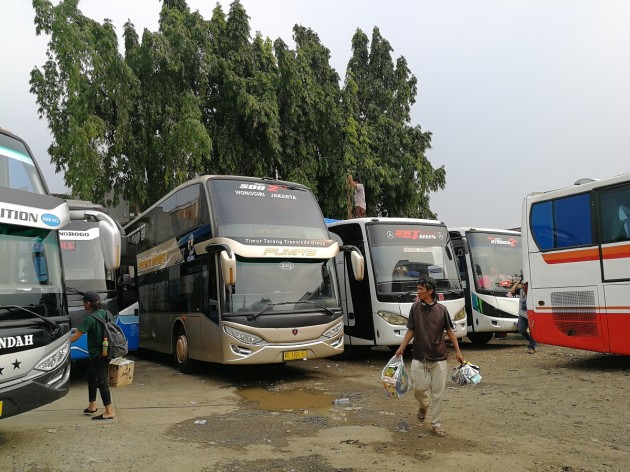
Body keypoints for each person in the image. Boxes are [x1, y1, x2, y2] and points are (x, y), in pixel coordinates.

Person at [395, 277, 465, 437]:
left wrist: (458, 352)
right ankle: (423, 405)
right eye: (417, 289)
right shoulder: (415, 308)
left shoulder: (441, 310)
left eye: (420, 289)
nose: (417, 292)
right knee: (418, 388)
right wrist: (402, 347)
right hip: (419, 356)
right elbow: (411, 329)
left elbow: (450, 331)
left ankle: (436, 424)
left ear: (430, 291)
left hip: (439, 357)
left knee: (438, 393)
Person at [69, 291, 115, 420]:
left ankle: (109, 411)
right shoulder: (107, 313)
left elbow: (75, 337)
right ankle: (92, 405)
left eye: (84, 303)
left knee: (102, 381)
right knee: (90, 376)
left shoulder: (89, 319)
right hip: (108, 352)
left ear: (88, 303)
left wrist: (60, 342)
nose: (83, 305)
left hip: (98, 356)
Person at [510, 280, 537, 354]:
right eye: (522, 284)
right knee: (521, 329)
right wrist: (517, 283)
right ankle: (532, 341)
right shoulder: (520, 290)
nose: (523, 285)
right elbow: (512, 291)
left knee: (532, 330)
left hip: (531, 314)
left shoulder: (531, 290)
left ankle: (531, 347)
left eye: (524, 284)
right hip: (522, 314)